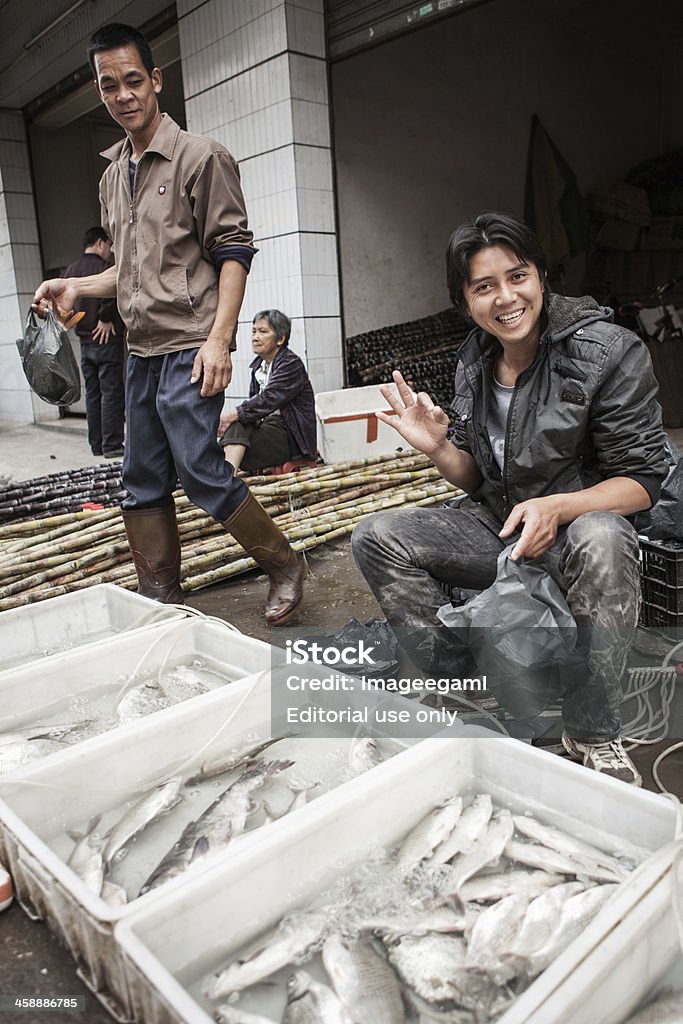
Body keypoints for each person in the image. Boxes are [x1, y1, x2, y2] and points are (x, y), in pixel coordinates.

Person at [352, 212, 669, 785]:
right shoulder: (475, 362)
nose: (506, 297)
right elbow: (481, 482)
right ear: (464, 300)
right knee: (376, 536)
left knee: (603, 536)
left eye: (516, 276)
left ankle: (592, 727)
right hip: (503, 529)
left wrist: (561, 507)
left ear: (542, 277)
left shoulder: (607, 352)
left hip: (581, 535)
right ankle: (470, 688)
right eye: (484, 286)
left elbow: (644, 481)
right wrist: (440, 448)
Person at [32, 22, 305, 625]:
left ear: (155, 80)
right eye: (110, 86)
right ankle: (161, 592)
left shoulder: (200, 158)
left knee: (201, 469)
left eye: (134, 80)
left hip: (190, 346)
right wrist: (74, 284)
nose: (123, 94)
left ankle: (284, 562)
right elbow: (127, 275)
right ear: (101, 92)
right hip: (141, 351)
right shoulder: (112, 177)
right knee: (141, 475)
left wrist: (219, 341)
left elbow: (234, 252)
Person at [219, 309, 316, 473]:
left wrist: (233, 414)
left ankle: (227, 477)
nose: (255, 337)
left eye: (263, 332)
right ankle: (228, 476)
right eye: (254, 331)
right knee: (238, 425)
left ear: (280, 339)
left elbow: (268, 399)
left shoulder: (290, 364)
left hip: (290, 435)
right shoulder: (258, 366)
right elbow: (253, 409)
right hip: (268, 429)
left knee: (236, 423)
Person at [63, 227, 125, 458]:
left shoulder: (71, 271)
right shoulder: (104, 269)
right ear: (100, 243)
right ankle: (112, 445)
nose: (109, 251)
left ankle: (96, 444)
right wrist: (106, 317)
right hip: (106, 340)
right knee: (111, 392)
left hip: (85, 343)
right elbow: (114, 292)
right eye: (108, 245)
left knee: (92, 393)